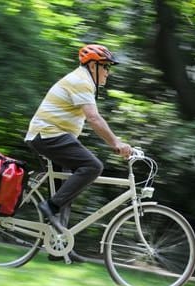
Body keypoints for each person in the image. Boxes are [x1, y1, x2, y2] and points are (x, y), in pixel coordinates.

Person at [25, 44, 132, 234]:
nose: (108, 72)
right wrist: (115, 143)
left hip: (53, 136)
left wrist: (115, 142)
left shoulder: (84, 80)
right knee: (93, 166)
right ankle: (49, 207)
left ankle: (59, 246)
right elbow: (93, 118)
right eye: (105, 66)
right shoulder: (81, 81)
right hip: (48, 135)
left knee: (66, 191)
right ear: (93, 66)